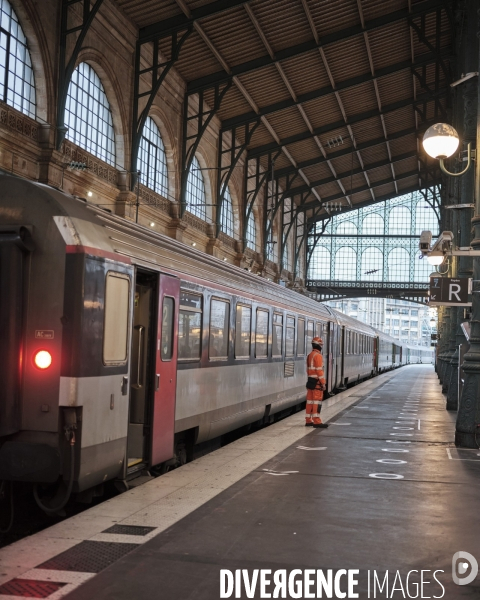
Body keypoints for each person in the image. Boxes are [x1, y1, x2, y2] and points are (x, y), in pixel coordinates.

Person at [305, 336, 328, 428]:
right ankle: (317, 421)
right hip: (317, 383)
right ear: (319, 346)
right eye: (321, 345)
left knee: (309, 401)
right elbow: (319, 371)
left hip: (310, 382)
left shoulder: (310, 355)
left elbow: (308, 370)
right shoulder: (318, 356)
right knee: (316, 402)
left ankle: (308, 420)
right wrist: (323, 383)